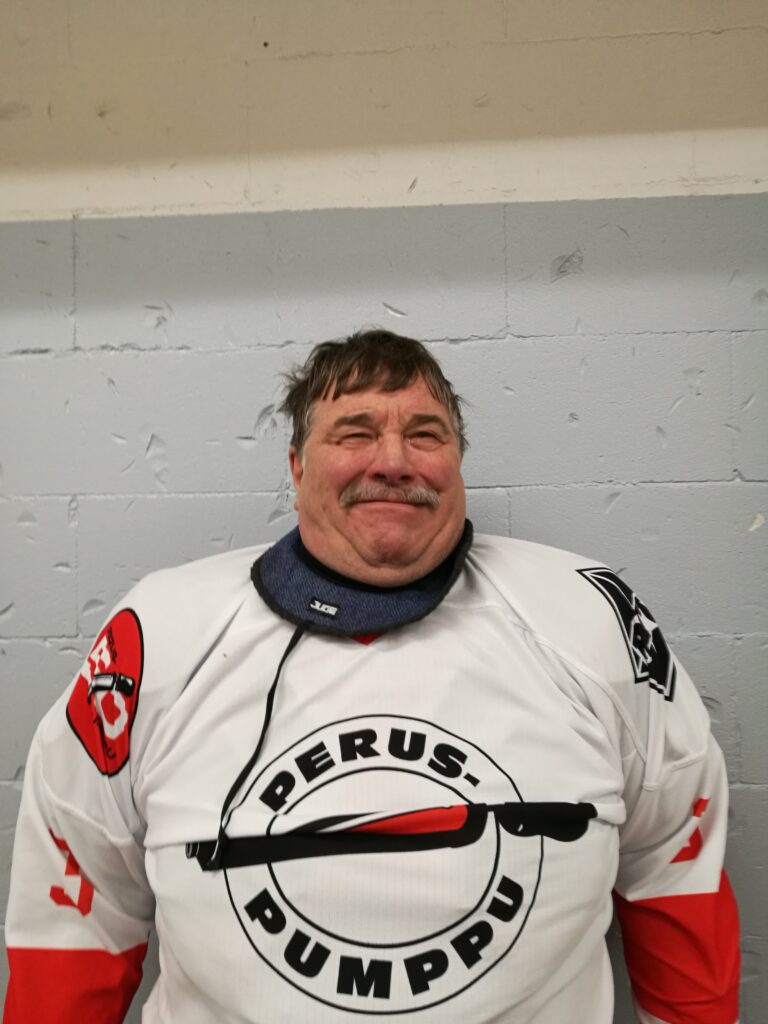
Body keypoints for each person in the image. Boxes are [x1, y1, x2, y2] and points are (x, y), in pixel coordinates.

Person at [4, 330, 739, 1023]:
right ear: (296, 466)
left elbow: (674, 859)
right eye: (354, 434)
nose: (393, 461)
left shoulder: (588, 615)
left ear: (457, 462)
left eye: (425, 435)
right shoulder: (161, 631)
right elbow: (77, 903)